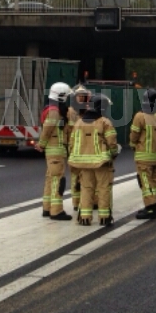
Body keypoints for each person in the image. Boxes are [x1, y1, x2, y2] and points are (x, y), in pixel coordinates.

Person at [68, 95, 119, 226]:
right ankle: (104, 217)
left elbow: (72, 143)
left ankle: (85, 217)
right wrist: (113, 154)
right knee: (103, 188)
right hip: (101, 163)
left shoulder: (78, 123)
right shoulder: (104, 122)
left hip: (83, 163)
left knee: (86, 188)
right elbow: (112, 143)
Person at [36, 82, 73, 221]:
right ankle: (56, 211)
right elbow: (49, 127)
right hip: (56, 149)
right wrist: (41, 143)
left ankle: (47, 208)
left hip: (53, 150)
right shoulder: (54, 111)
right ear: (61, 96)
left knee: (50, 178)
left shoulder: (53, 109)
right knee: (58, 180)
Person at [130, 88, 156, 219]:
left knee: (145, 182)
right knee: (155, 181)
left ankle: (150, 208)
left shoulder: (140, 116)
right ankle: (155, 203)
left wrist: (133, 145)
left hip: (144, 156)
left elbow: (134, 135)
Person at [67, 84, 92, 213]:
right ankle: (76, 203)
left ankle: (84, 201)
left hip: (85, 147)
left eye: (83, 96)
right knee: (75, 177)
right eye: (79, 96)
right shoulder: (72, 111)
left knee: (85, 177)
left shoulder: (86, 110)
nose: (81, 99)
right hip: (75, 147)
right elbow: (71, 130)